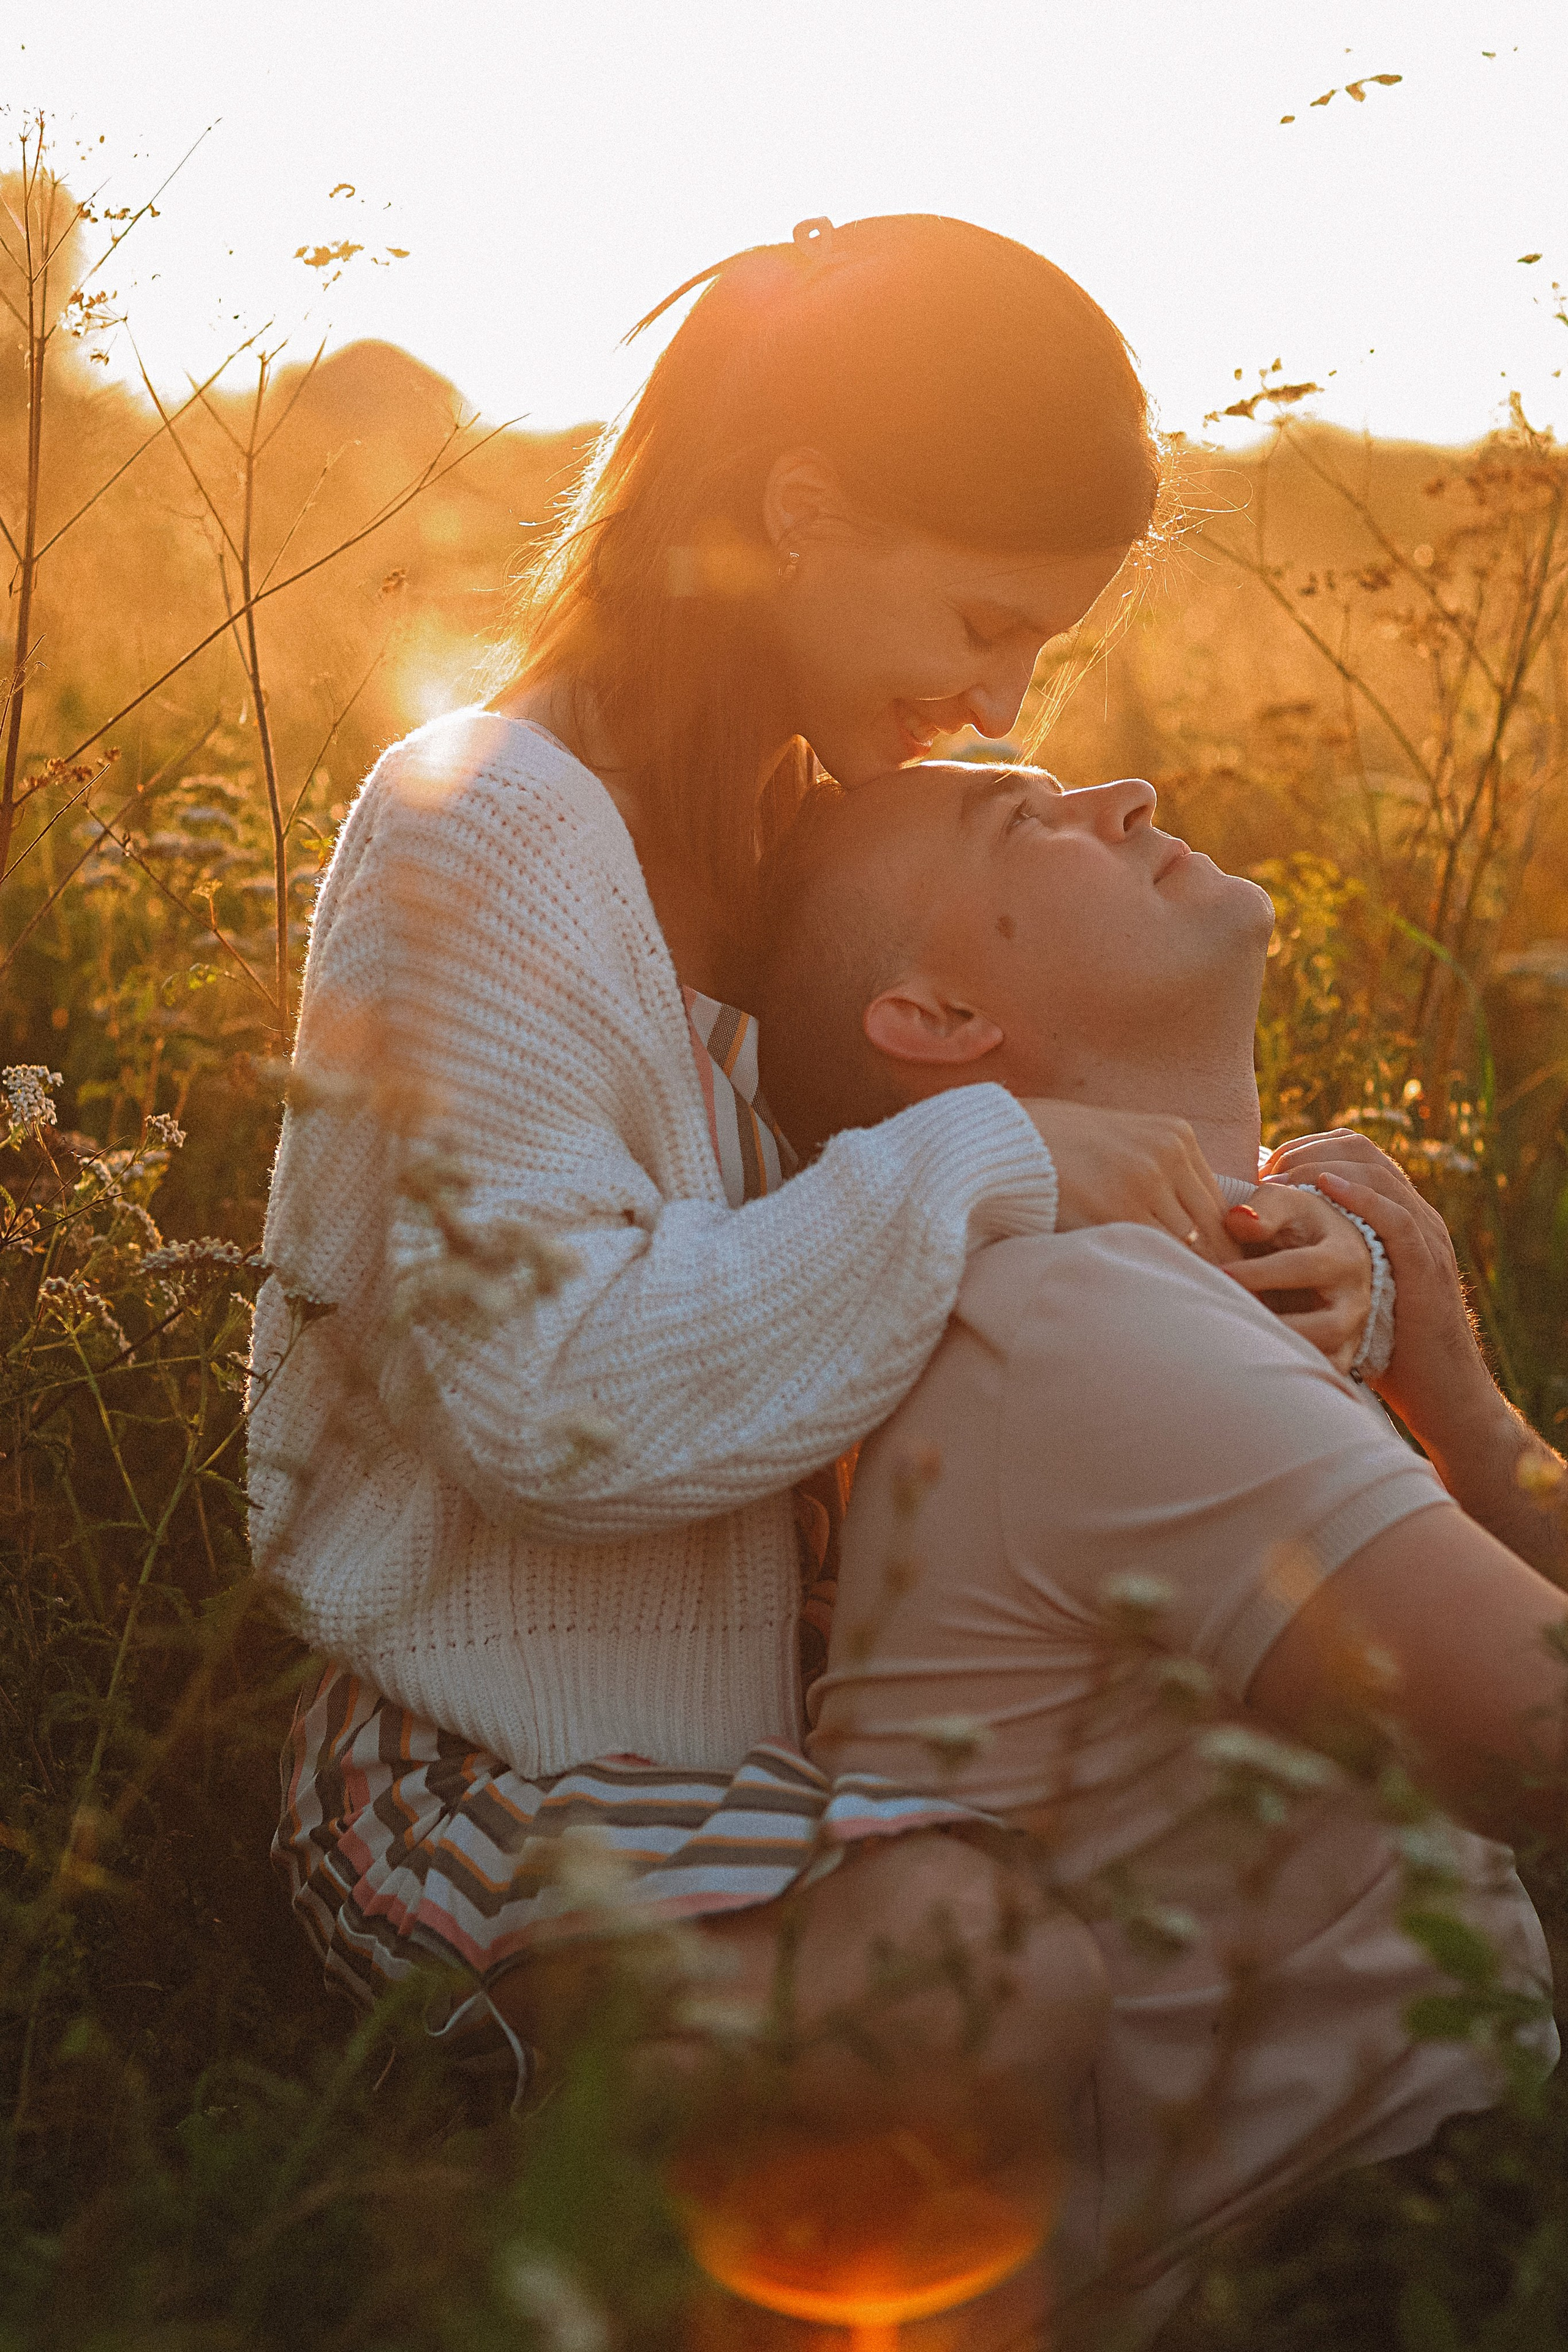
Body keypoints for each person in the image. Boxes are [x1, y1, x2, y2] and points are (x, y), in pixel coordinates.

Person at [257, 217, 1316, 2124]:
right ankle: (463, 2245)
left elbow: (1063, 1168)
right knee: (970, 1998)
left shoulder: (830, 846)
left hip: (841, 1750)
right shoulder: (477, 824)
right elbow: (545, 1401)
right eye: (988, 627)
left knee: (1252, 1932)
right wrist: (993, 1160)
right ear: (805, 510)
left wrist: (1306, 1251)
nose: (1004, 707)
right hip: (500, 1762)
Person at [762, 763, 1564, 2340]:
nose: (1122, 793)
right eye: (1025, 824)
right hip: (1353, 2258)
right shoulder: (1074, 1324)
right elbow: (1538, 1745)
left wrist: (1454, 1397)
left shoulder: (1166, 1290)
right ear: (930, 1017)